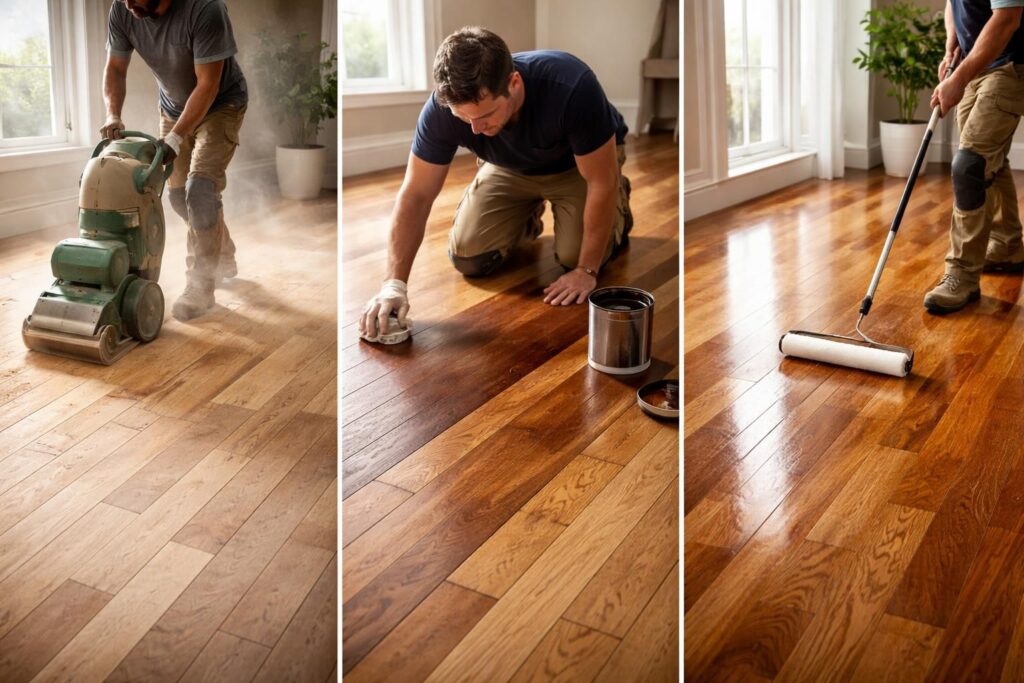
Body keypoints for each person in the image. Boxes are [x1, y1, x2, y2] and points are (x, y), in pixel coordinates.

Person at [358, 26, 633, 340]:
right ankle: (525, 216)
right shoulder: (443, 109)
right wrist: (393, 285)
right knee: (469, 257)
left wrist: (586, 271)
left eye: (485, 115)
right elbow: (416, 195)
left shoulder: (571, 85)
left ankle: (620, 209)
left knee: (574, 257)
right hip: (508, 166)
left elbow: (600, 182)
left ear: (513, 83)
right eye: (465, 119)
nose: (474, 130)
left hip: (578, 166)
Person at [101, 0, 248, 321]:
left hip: (220, 105)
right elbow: (115, 68)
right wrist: (113, 114)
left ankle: (201, 284)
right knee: (179, 197)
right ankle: (222, 251)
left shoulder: (205, 9)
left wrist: (176, 137)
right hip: (172, 107)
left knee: (201, 191)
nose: (127, 4)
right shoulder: (122, 9)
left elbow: (208, 85)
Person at [925, 0, 1024, 313]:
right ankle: (1008, 246)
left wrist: (957, 79)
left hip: (1009, 65)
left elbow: (1007, 18)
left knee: (970, 165)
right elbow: (953, 5)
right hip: (977, 65)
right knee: (989, 159)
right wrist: (950, 46)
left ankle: (962, 273)